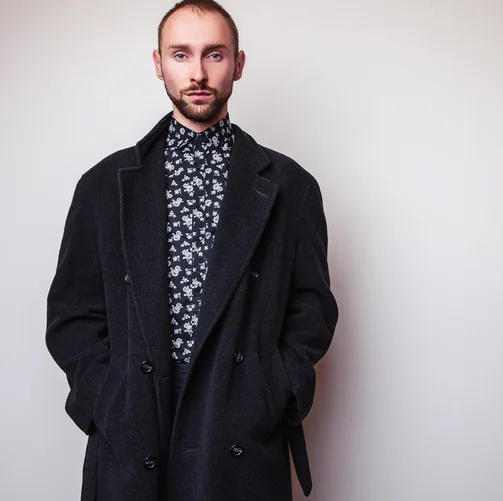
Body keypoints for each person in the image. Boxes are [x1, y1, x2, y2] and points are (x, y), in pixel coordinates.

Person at [45, 1, 338, 500]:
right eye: (181, 55)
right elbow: (71, 314)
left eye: (214, 55)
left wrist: (270, 391)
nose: (198, 73)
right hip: (134, 421)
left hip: (238, 425)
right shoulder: (103, 186)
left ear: (238, 64)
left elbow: (312, 309)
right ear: (159, 63)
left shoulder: (291, 186)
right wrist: (108, 400)